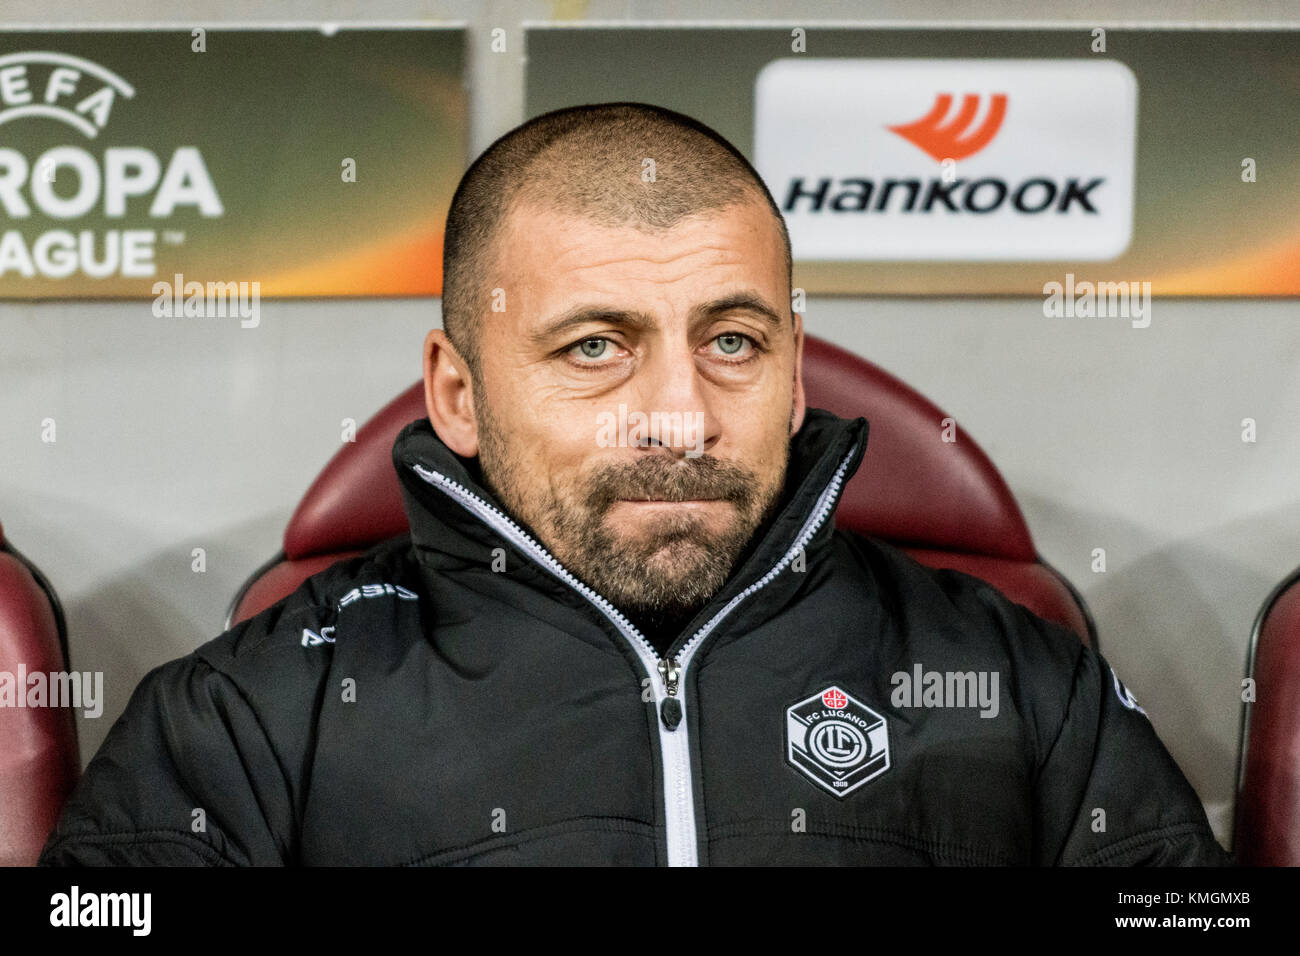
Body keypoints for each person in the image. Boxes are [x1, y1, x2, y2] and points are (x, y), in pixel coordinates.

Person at [40, 103, 1230, 866]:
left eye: (732, 342)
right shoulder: (246, 715)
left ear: (795, 371)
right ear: (456, 392)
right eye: (594, 346)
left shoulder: (1022, 686)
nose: (680, 416)